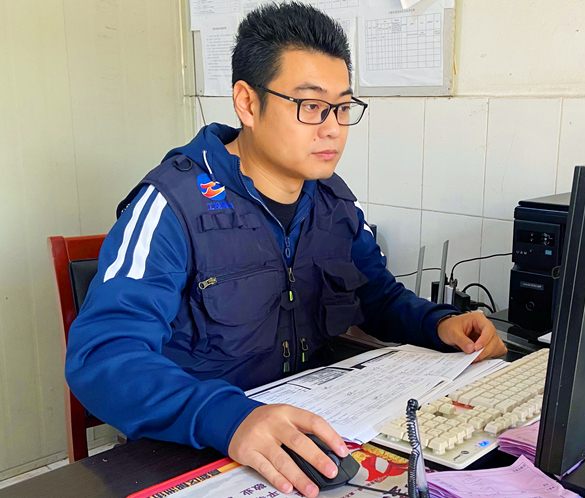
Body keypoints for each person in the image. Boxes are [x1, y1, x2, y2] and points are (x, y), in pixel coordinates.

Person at [65, 4, 507, 497]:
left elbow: (376, 298)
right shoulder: (173, 205)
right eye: (311, 106)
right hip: (201, 442)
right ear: (247, 103)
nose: (333, 128)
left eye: (343, 108)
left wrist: (438, 324)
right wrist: (228, 418)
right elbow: (102, 357)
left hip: (315, 430)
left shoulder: (333, 200)